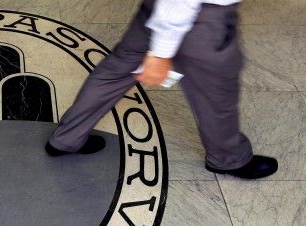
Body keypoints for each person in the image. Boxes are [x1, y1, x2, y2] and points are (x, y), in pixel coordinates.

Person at [45, 0, 278, 179]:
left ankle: (67, 137)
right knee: (217, 97)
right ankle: (228, 158)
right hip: (198, 16)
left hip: (159, 7)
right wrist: (161, 52)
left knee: (114, 72)